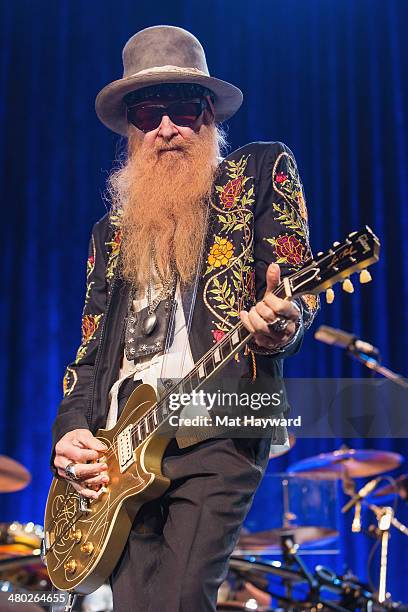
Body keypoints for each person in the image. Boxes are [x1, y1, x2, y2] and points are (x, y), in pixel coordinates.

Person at [51, 25, 319, 612]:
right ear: (131, 130)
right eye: (148, 114)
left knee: (177, 599)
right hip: (122, 448)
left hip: (219, 417)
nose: (166, 128)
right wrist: (70, 428)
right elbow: (91, 352)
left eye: (181, 109)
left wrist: (283, 321)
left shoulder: (258, 176)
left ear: (208, 116)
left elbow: (295, 292)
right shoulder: (110, 234)